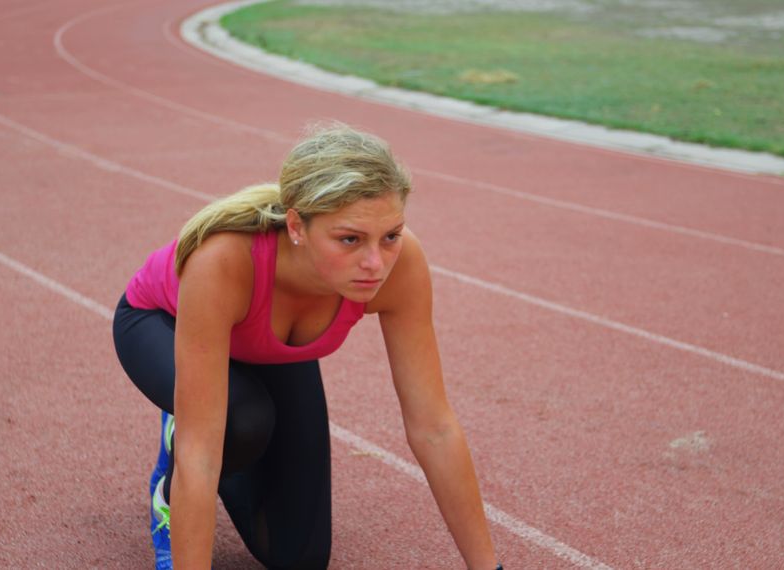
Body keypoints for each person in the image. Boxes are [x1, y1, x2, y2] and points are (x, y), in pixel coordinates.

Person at [112, 124, 501, 570]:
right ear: (297, 225)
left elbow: (434, 427)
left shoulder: (400, 265)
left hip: (266, 347)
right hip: (162, 323)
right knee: (239, 421)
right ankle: (168, 484)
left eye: (390, 236)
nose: (376, 263)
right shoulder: (222, 262)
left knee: (302, 559)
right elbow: (201, 454)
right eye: (350, 239)